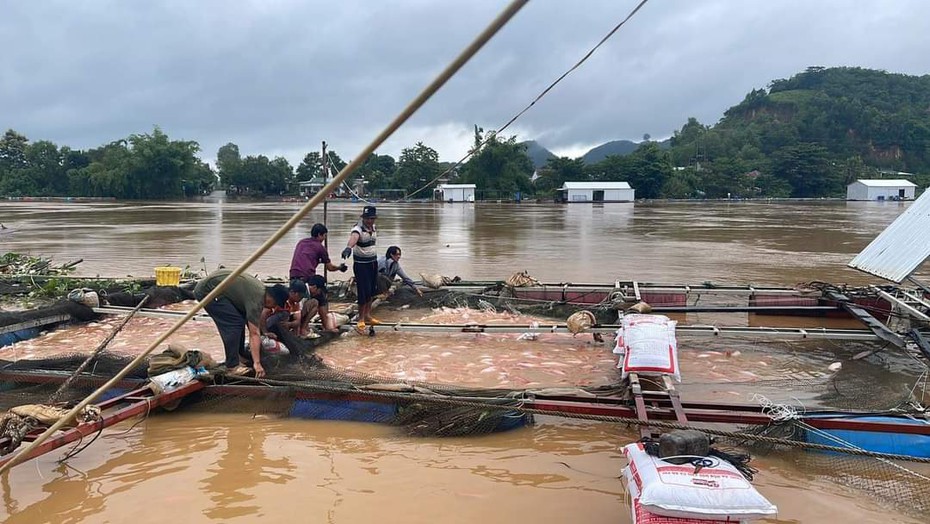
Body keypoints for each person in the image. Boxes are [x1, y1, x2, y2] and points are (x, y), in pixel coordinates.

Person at [194, 270, 277, 378]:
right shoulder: (257, 299)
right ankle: (232, 366)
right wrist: (257, 363)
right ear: (271, 297)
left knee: (239, 319)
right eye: (274, 304)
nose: (272, 308)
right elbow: (254, 333)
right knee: (234, 323)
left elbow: (252, 324)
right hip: (207, 290)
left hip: (221, 291)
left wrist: (264, 333)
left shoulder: (260, 291)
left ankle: (239, 356)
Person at [342, 205, 378, 332]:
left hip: (373, 262)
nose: (369, 221)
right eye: (367, 218)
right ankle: (361, 318)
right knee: (363, 291)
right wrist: (348, 248)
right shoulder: (357, 229)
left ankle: (368, 315)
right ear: (363, 218)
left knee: (371, 291)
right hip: (361, 265)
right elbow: (354, 238)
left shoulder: (373, 227)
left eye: (372, 218)